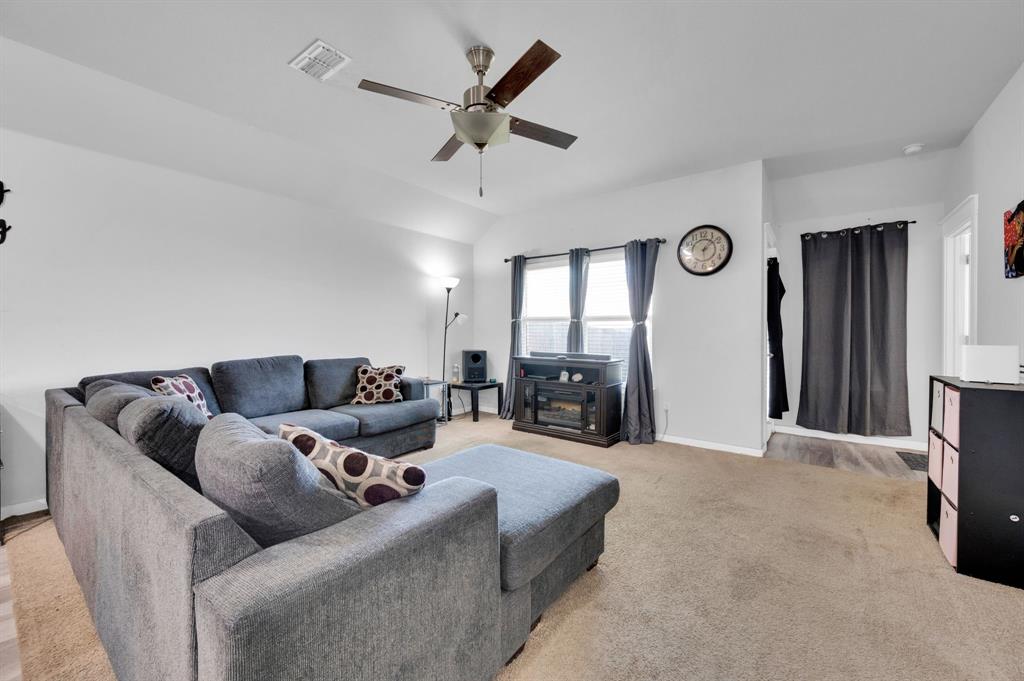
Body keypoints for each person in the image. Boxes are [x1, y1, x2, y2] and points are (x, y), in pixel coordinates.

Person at [1005, 200, 1024, 278]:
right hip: (1018, 274)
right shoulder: (1010, 239)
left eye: (1022, 225)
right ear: (1015, 218)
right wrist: (1015, 248)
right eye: (1018, 222)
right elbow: (1010, 263)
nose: (1019, 228)